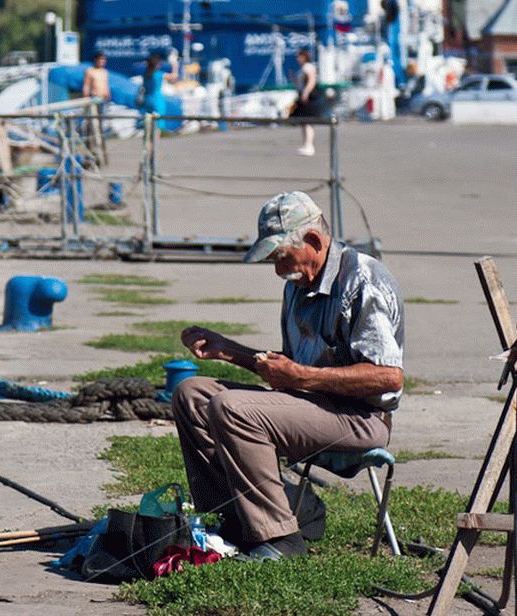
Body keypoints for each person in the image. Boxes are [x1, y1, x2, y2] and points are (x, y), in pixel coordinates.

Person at [172, 191, 404, 560]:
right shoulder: (298, 286)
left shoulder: (363, 280)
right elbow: (289, 372)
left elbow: (388, 378)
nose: (279, 270)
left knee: (232, 408)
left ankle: (281, 538)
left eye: (281, 257)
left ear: (313, 241)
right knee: (191, 394)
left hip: (361, 418)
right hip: (312, 406)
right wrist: (227, 350)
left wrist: (302, 378)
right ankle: (234, 520)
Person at [290, 50, 321, 156]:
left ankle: (309, 145)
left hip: (308, 97)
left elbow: (312, 81)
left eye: (300, 57)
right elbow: (300, 84)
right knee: (304, 122)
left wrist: (306, 92)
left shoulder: (308, 67)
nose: (298, 59)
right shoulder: (303, 68)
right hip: (302, 96)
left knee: (307, 122)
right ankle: (306, 144)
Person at [141, 53, 178, 130]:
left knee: (148, 122)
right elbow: (174, 76)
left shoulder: (145, 74)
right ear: (157, 65)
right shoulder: (158, 74)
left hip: (147, 99)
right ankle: (156, 140)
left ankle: (147, 141)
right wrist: (175, 64)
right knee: (158, 123)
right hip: (157, 99)